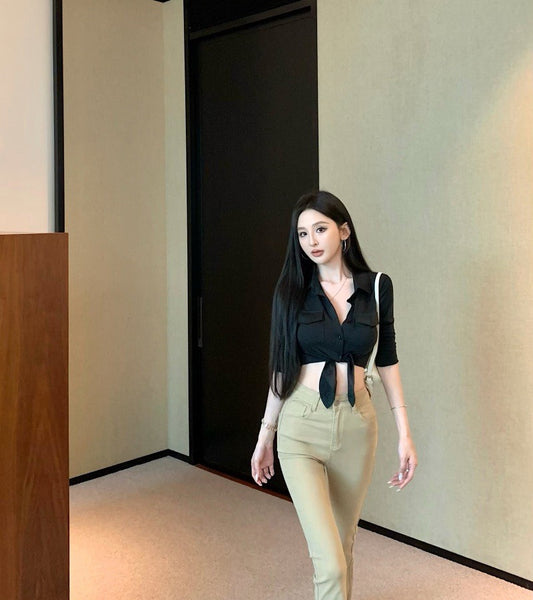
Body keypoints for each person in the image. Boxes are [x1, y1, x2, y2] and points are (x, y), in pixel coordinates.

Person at [250, 190, 418, 600]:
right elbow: (281, 369)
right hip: (301, 426)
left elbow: (388, 359)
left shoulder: (377, 287)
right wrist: (265, 435)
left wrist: (405, 433)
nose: (311, 241)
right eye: (303, 233)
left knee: (343, 547)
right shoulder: (291, 292)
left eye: (320, 229)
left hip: (358, 426)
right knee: (330, 563)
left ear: (344, 231)